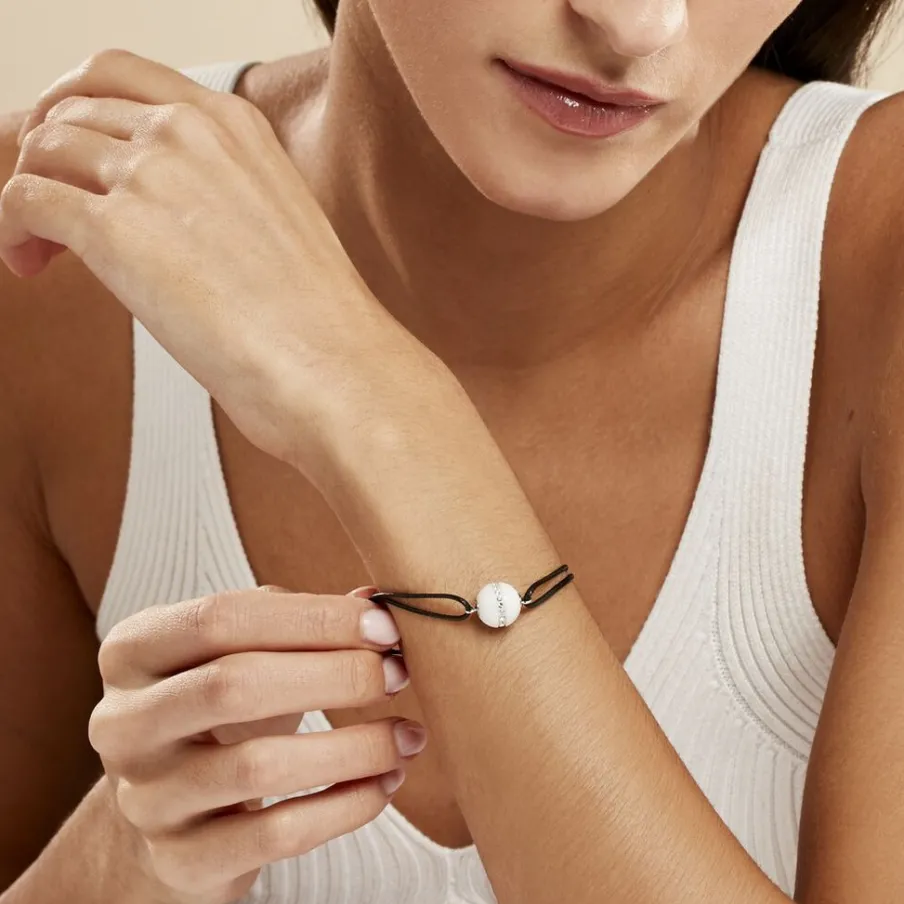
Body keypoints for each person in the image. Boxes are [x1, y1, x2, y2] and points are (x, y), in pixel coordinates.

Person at [1, 0, 904, 902]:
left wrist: (380, 408)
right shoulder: (53, 250)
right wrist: (121, 858)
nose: (636, 25)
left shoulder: (880, 252)